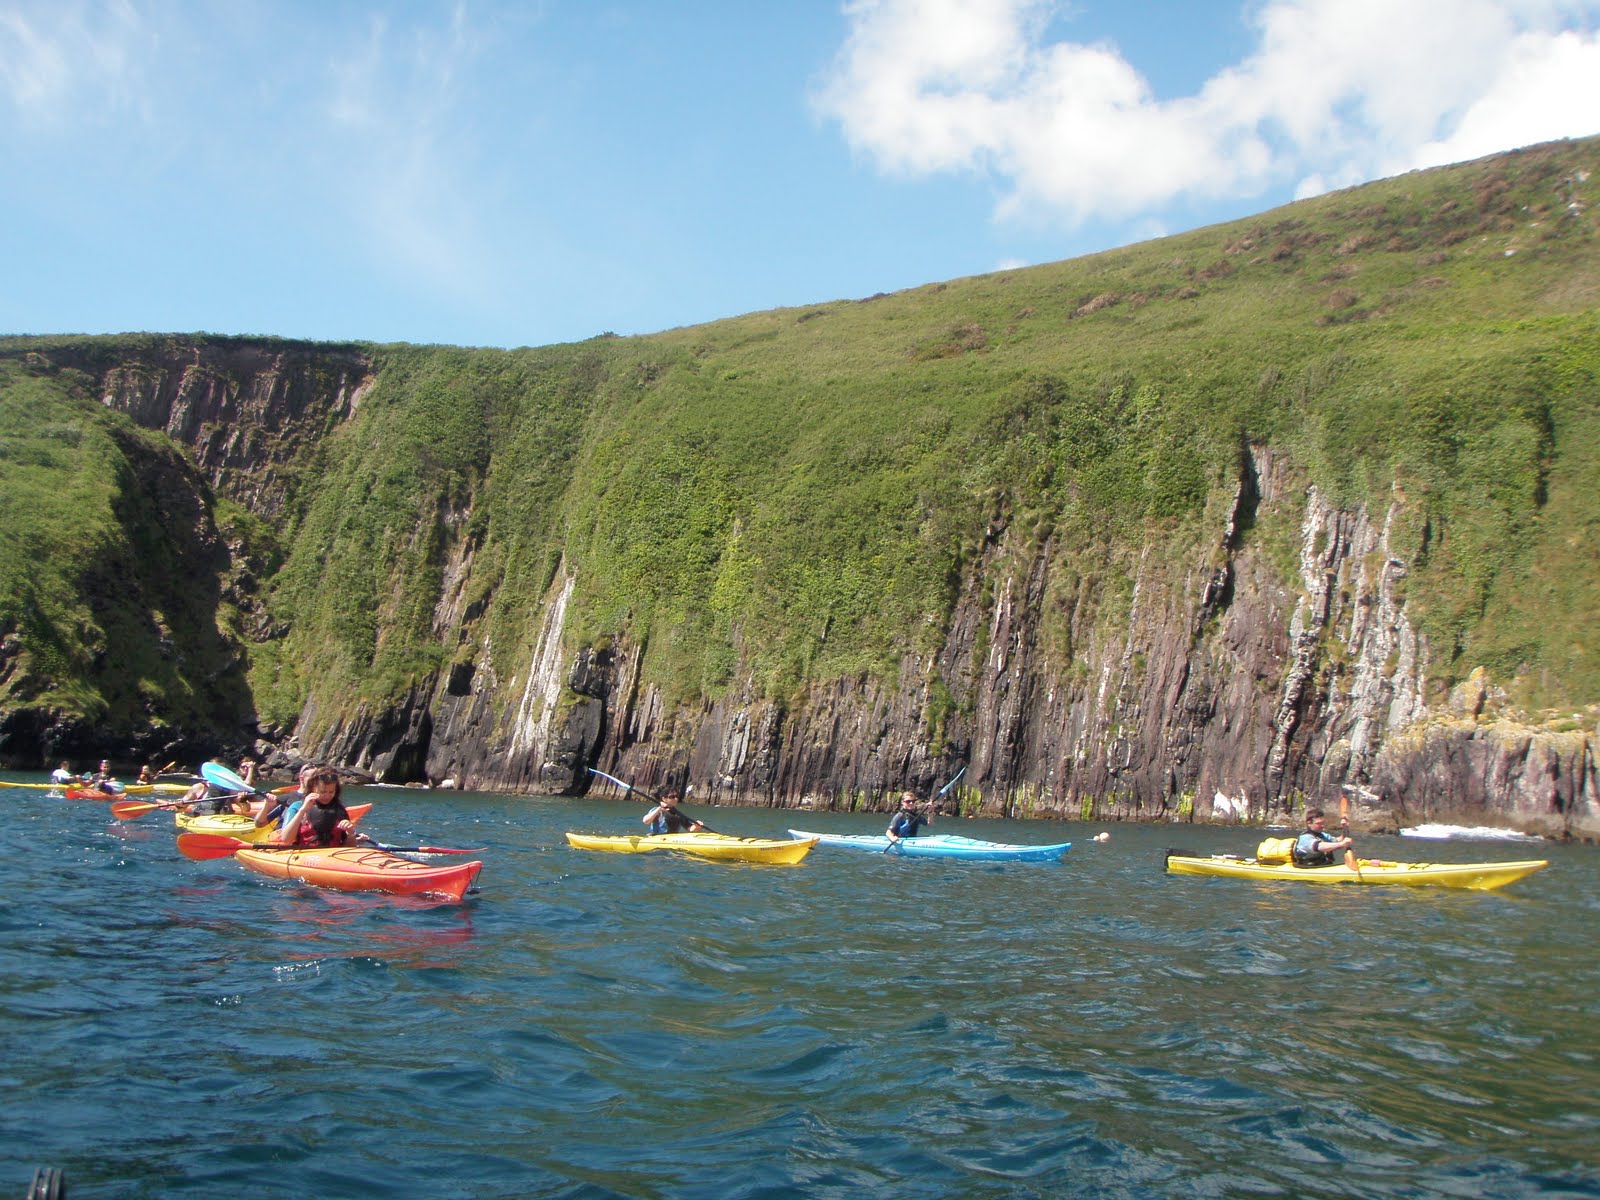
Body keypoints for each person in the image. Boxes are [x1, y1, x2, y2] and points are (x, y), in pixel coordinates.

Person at [275, 768, 363, 848]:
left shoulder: (340, 810)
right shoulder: (297, 806)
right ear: (312, 788)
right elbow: (286, 840)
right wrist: (302, 810)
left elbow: (349, 846)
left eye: (331, 792)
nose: (327, 796)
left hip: (331, 856)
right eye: (322, 792)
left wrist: (351, 833)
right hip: (303, 855)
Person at [256, 762, 318, 829]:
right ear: (302, 779)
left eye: (319, 778)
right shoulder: (286, 799)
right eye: (313, 779)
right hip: (283, 835)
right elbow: (259, 823)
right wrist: (267, 806)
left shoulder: (322, 798)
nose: (317, 782)